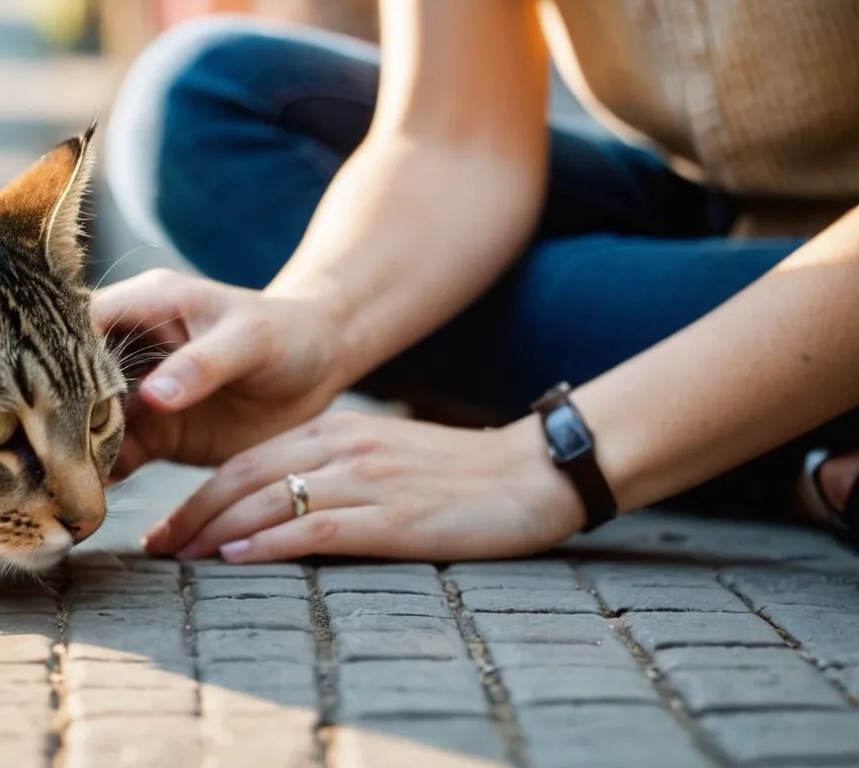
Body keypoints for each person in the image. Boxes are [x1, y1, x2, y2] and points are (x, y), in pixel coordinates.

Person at [93, 0, 859, 565]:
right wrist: (317, 323)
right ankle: (778, 429)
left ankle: (750, 454)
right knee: (203, 99)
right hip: (711, 212)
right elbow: (456, 136)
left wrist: (546, 462)